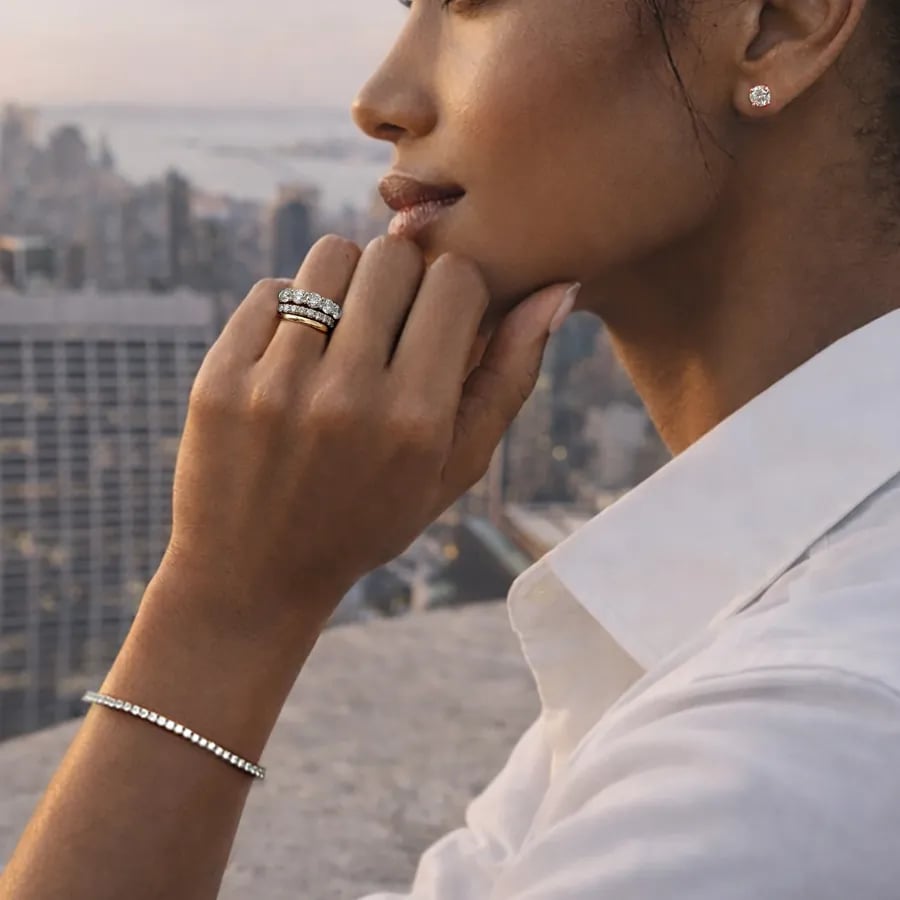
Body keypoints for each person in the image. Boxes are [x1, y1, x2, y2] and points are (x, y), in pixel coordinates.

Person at [3, 0, 900, 895]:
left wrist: (228, 606)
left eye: (468, 5)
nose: (379, 99)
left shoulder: (799, 753)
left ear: (776, 24)